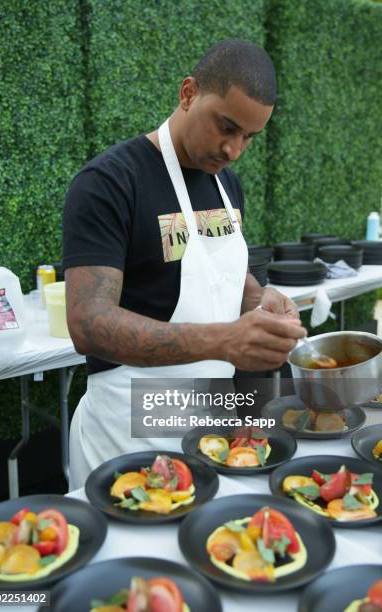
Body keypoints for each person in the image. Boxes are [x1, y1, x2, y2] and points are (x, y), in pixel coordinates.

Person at [63, 38, 306, 490]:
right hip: (127, 431)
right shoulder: (109, 183)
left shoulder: (225, 184)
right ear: (189, 93)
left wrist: (262, 300)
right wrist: (224, 341)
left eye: (249, 137)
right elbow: (87, 324)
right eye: (227, 127)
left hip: (211, 427)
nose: (234, 150)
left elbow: (226, 276)